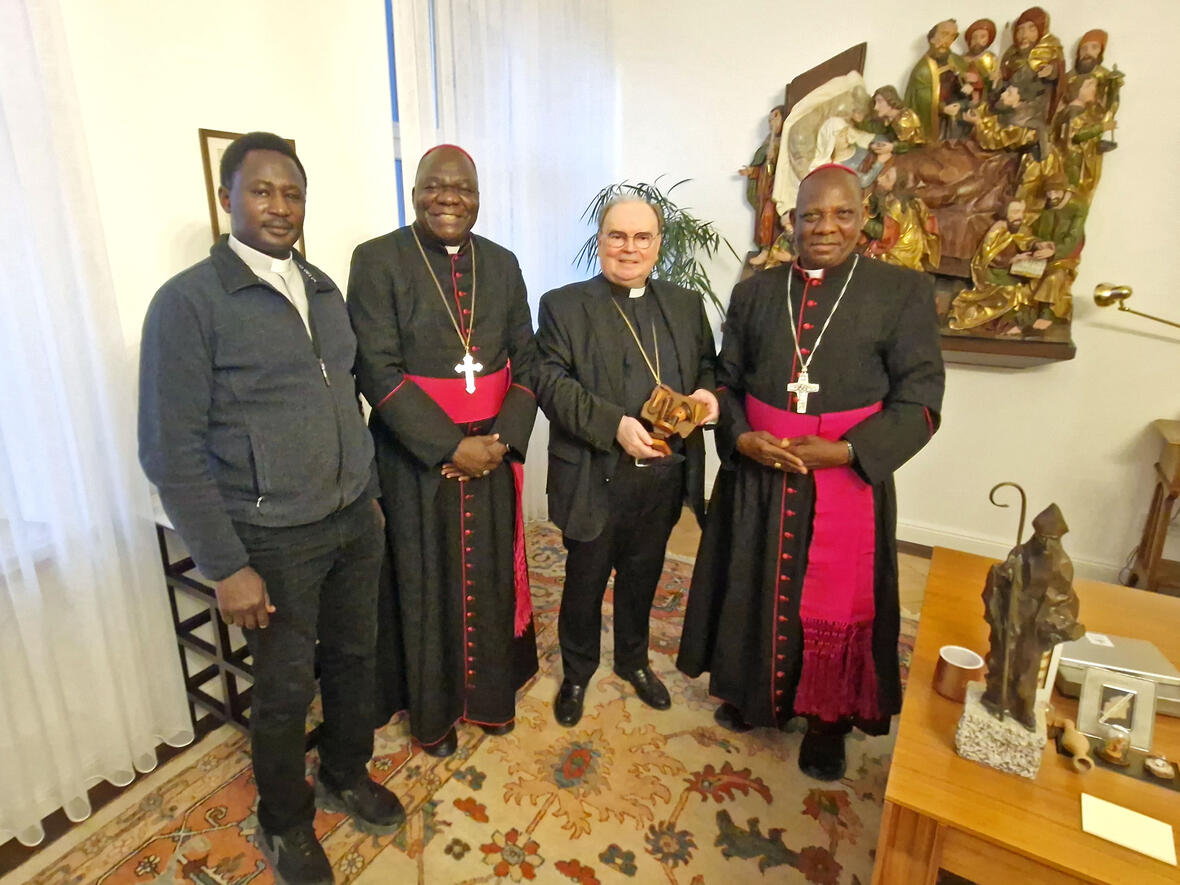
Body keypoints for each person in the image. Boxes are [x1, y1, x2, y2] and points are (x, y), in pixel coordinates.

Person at [139, 132, 404, 885]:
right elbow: (170, 452)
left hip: (352, 519)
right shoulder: (188, 304)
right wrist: (227, 564)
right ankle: (284, 818)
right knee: (286, 687)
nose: (279, 205)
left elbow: (346, 400)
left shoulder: (321, 286)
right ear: (227, 199)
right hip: (273, 538)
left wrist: (371, 498)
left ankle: (345, 772)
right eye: (262, 191)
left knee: (356, 659)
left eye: (291, 192)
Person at [677, 165, 944, 781]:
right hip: (758, 467)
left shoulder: (900, 294)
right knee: (752, 579)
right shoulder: (756, 292)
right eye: (812, 215)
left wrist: (849, 451)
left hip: (844, 478)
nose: (826, 226)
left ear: (863, 217)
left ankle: (827, 720)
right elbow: (726, 379)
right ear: (792, 221)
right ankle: (751, 693)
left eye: (841, 214)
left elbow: (923, 400)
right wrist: (740, 434)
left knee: (833, 602)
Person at [347, 145, 538, 759]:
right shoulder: (378, 260)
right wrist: (450, 446)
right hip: (415, 458)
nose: (449, 198)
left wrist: (499, 442)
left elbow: (527, 361)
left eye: (463, 189)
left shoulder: (503, 265)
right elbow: (375, 370)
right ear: (414, 193)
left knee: (487, 575)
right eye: (435, 186)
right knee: (424, 581)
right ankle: (432, 711)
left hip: (492, 449)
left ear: (479, 198)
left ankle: (489, 698)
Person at [535, 195, 718, 727]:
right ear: (600, 240)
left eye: (642, 237)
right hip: (596, 474)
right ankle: (577, 671)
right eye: (618, 236)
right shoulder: (563, 305)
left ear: (659, 244)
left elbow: (707, 364)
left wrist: (708, 395)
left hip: (662, 475)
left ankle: (634, 661)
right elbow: (549, 381)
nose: (629, 248)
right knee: (585, 580)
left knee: (644, 574)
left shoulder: (684, 305)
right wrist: (613, 423)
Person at [947, 199, 1054, 334]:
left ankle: (1020, 323)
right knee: (1009, 294)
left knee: (1032, 290)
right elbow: (990, 256)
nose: (1020, 216)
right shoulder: (998, 229)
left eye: (1022, 211)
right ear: (1006, 213)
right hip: (995, 273)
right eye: (1015, 212)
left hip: (1015, 273)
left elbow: (1027, 239)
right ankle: (1004, 325)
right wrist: (1011, 260)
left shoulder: (1019, 226)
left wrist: (1039, 246)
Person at [903, 19, 968, 141]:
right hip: (935, 122)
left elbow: (965, 87)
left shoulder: (957, 61)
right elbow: (921, 100)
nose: (948, 40)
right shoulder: (923, 69)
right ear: (932, 38)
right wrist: (942, 108)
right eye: (944, 34)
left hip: (957, 117)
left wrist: (966, 90)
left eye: (952, 36)